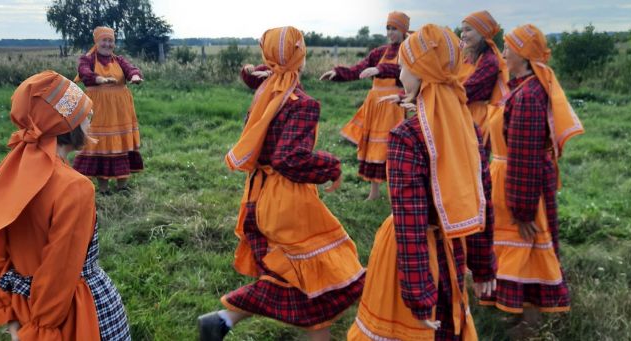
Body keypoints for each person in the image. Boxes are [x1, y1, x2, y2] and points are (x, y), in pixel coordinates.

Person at [198, 27, 365, 341]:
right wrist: (332, 165)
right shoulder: (301, 103)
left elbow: (257, 77)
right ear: (300, 58)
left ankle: (222, 320)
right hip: (286, 203)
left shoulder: (266, 91)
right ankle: (223, 318)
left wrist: (249, 72)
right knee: (317, 272)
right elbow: (289, 159)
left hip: (256, 196)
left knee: (292, 274)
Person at [347, 24, 496, 341]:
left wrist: (417, 294)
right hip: (453, 246)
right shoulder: (467, 127)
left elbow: (410, 221)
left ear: (420, 71)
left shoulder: (407, 137)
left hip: (410, 258)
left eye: (403, 67)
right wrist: (483, 266)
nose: (399, 75)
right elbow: (481, 202)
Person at [0, 71, 130, 340]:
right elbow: (60, 272)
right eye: (84, 112)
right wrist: (42, 329)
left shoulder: (12, 170)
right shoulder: (75, 187)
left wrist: (12, 314)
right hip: (71, 314)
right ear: (65, 124)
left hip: (24, 305)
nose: (91, 118)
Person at [478, 24, 584, 338]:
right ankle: (521, 317)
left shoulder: (527, 96)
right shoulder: (524, 88)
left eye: (509, 47)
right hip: (509, 181)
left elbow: (524, 157)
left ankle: (530, 325)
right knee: (523, 251)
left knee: (528, 250)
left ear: (523, 55)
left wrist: (522, 210)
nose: (504, 52)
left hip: (519, 186)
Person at [319, 11, 410, 200]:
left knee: (391, 148)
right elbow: (358, 69)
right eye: (388, 28)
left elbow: (405, 71)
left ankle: (396, 193)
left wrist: (380, 69)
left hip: (394, 105)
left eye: (395, 29)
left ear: (403, 31)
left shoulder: (408, 52)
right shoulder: (379, 52)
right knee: (372, 147)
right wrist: (337, 73)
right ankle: (374, 193)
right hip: (374, 105)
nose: (391, 33)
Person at [73, 26, 144, 195]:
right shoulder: (87, 59)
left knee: (121, 142)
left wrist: (134, 76)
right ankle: (103, 188)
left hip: (120, 109)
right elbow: (84, 73)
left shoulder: (119, 60)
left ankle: (122, 186)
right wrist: (100, 79)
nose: (107, 44)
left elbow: (131, 69)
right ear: (97, 42)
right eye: (104, 40)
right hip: (97, 109)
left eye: (110, 41)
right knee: (100, 144)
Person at [460, 11, 509, 147]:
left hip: (476, 121)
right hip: (462, 115)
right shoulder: (468, 57)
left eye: (468, 30)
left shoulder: (489, 61)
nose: (463, 35)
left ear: (482, 33)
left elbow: (465, 91)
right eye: (462, 30)